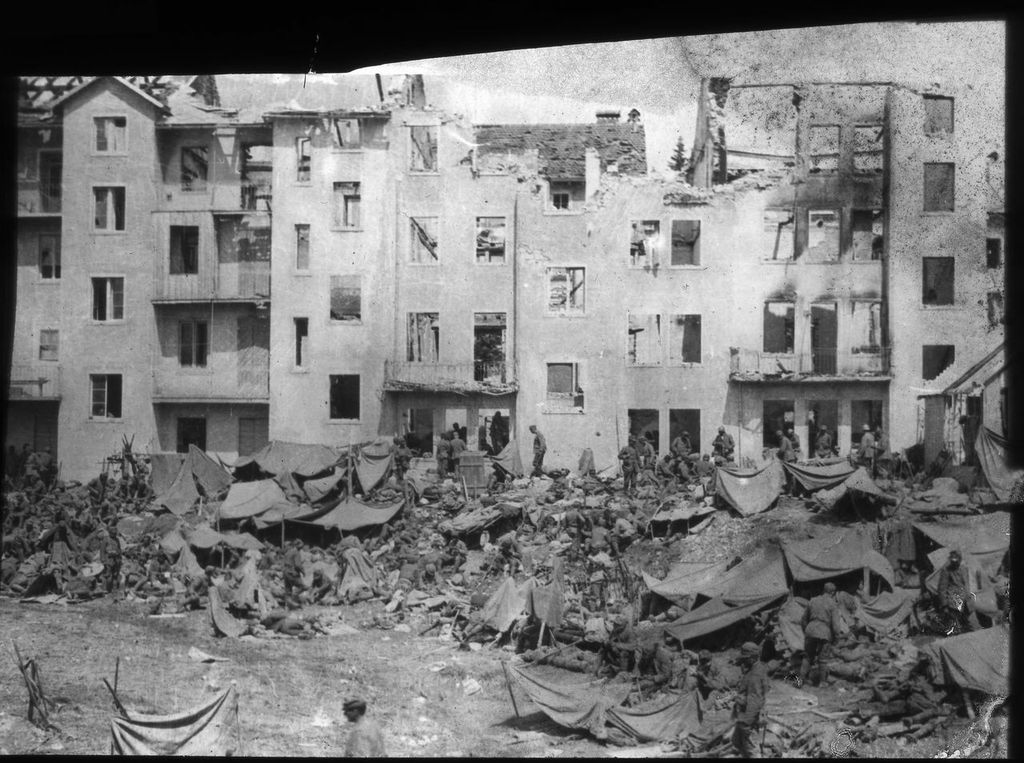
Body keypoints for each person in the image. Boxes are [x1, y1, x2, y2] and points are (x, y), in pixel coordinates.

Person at [732, 642, 770, 758]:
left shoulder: (755, 675)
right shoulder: (757, 668)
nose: (743, 661)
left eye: (745, 659)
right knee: (738, 743)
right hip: (744, 715)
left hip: (748, 717)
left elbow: (755, 699)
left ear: (753, 658)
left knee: (751, 749)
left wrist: (746, 722)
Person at [800, 582, 841, 686]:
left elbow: (803, 619)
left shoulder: (813, 600)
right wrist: (836, 638)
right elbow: (836, 625)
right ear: (833, 592)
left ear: (824, 590)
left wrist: (806, 630)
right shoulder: (833, 604)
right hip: (824, 632)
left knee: (807, 656)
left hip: (810, 629)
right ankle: (822, 683)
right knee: (823, 659)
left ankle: (800, 681)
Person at [937, 550, 973, 633]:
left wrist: (968, 596)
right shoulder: (946, 571)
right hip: (953, 600)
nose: (955, 562)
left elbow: (966, 583)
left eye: (956, 559)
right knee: (955, 625)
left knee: (967, 624)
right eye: (953, 560)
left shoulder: (964, 569)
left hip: (965, 599)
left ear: (960, 559)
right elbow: (942, 588)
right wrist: (944, 604)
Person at [282, 539, 305, 605]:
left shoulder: (287, 552)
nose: (301, 548)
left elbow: (284, 563)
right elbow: (298, 565)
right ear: (297, 545)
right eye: (301, 546)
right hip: (292, 572)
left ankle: (288, 606)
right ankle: (294, 598)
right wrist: (303, 572)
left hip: (285, 571)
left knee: (288, 589)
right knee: (302, 586)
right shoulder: (296, 552)